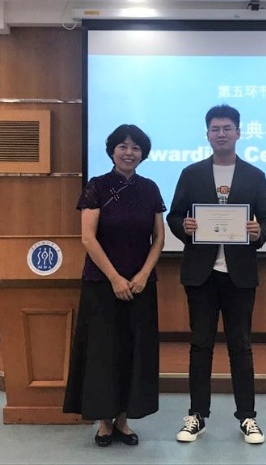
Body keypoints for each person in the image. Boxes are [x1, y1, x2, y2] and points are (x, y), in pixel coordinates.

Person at [167, 104, 266, 445]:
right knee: (200, 345)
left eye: (227, 128)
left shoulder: (255, 176)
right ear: (207, 134)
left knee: (240, 346)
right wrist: (184, 227)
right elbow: (174, 216)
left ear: (239, 133)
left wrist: (259, 233)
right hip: (201, 274)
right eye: (215, 128)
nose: (221, 133)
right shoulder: (191, 173)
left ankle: (247, 417)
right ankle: (197, 415)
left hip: (239, 275)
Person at [63, 124, 165, 447]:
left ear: (143, 154)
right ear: (112, 151)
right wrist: (115, 278)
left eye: (136, 147)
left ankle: (123, 420)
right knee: (103, 352)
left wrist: (144, 274)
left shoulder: (150, 188)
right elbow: (88, 238)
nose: (129, 152)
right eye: (123, 146)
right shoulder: (96, 186)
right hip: (102, 284)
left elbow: (158, 238)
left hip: (140, 286)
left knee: (134, 352)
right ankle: (105, 422)